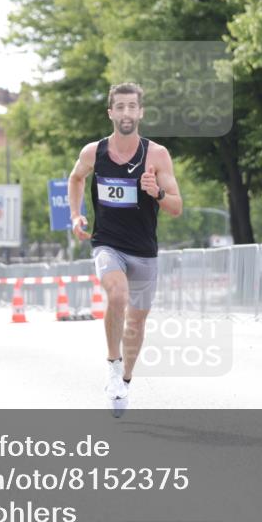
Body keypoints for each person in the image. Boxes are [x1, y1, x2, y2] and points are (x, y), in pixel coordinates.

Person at [68, 82, 183, 417]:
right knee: (116, 295)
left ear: (141, 112)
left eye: (132, 106)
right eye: (120, 107)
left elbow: (176, 206)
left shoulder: (157, 155)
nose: (126, 113)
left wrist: (157, 193)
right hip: (108, 244)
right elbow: (76, 179)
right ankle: (112, 365)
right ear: (111, 113)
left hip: (144, 250)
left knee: (136, 323)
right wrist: (76, 215)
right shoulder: (94, 153)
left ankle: (125, 380)